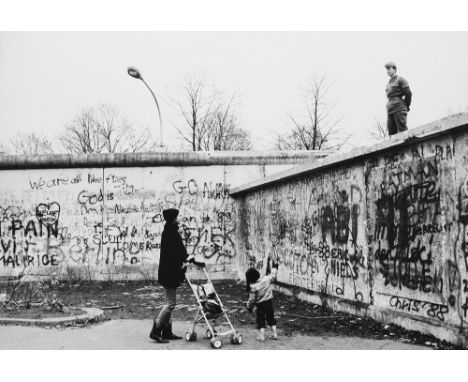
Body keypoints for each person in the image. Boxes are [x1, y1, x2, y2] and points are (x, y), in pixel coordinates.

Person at [149, 208, 204, 343]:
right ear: (173, 218)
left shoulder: (169, 231)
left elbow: (177, 252)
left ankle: (167, 331)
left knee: (170, 302)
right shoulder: (171, 233)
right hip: (169, 273)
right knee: (170, 303)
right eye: (177, 217)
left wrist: (186, 260)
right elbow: (179, 252)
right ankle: (156, 330)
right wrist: (190, 260)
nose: (179, 218)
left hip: (168, 272)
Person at [245, 261, 279, 341]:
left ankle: (262, 336)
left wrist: (248, 306)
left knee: (261, 320)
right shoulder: (266, 279)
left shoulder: (253, 286)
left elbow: (252, 299)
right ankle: (274, 334)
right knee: (271, 318)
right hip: (269, 302)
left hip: (260, 305)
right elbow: (273, 276)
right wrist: (274, 268)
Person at [385, 61, 412, 136]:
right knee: (391, 135)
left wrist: (406, 105)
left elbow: (408, 93)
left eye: (389, 69)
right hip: (390, 110)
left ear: (394, 69)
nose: (388, 71)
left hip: (399, 108)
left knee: (403, 132)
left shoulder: (400, 80)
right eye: (387, 69)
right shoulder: (388, 83)